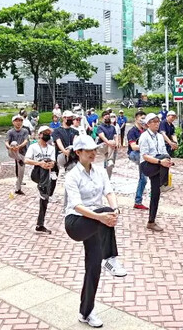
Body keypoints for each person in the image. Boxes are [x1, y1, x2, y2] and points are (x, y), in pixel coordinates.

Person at [64, 135, 127, 328]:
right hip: (76, 223)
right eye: (88, 150)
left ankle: (86, 312)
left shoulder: (99, 171)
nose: (93, 153)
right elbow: (76, 205)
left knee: (93, 269)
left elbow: (109, 192)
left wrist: (115, 209)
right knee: (105, 212)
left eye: (94, 150)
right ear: (78, 153)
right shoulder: (72, 176)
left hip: (96, 222)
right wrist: (103, 216)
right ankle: (111, 258)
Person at [139, 113, 174, 232]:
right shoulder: (144, 137)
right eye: (154, 121)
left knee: (155, 194)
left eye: (158, 121)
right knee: (164, 157)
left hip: (158, 164)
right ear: (148, 124)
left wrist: (168, 161)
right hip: (148, 164)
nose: (157, 123)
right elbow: (145, 156)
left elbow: (164, 151)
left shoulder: (159, 136)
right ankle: (163, 183)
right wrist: (160, 161)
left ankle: (151, 221)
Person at [24, 126, 58, 234]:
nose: (48, 134)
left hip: (47, 173)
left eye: (49, 133)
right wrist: (40, 163)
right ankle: (43, 188)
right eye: (45, 133)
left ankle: (40, 224)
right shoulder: (33, 147)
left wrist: (50, 164)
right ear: (40, 134)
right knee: (43, 165)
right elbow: (26, 160)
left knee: (45, 199)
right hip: (36, 172)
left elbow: (53, 161)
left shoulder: (51, 148)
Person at [127, 111, 149, 211]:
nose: (143, 120)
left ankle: (138, 200)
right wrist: (145, 147)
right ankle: (138, 201)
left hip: (143, 154)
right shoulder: (132, 131)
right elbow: (133, 147)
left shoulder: (145, 131)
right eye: (142, 118)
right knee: (143, 178)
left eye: (145, 118)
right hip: (134, 154)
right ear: (136, 118)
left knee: (144, 178)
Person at [5, 115, 30, 195]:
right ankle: (19, 159)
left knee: (21, 173)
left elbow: (26, 141)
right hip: (12, 152)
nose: (18, 122)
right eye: (16, 121)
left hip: (22, 152)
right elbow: (6, 142)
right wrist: (11, 147)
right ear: (13, 122)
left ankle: (18, 188)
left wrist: (19, 147)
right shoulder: (10, 132)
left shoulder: (25, 131)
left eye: (20, 121)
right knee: (13, 143)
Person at [97, 111, 118, 178]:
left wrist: (117, 143)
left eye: (108, 118)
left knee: (110, 166)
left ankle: (107, 179)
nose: (107, 119)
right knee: (111, 142)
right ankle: (110, 160)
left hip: (111, 147)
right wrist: (110, 143)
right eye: (106, 118)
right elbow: (102, 137)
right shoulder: (100, 127)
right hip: (102, 146)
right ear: (102, 118)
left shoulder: (112, 127)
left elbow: (115, 136)